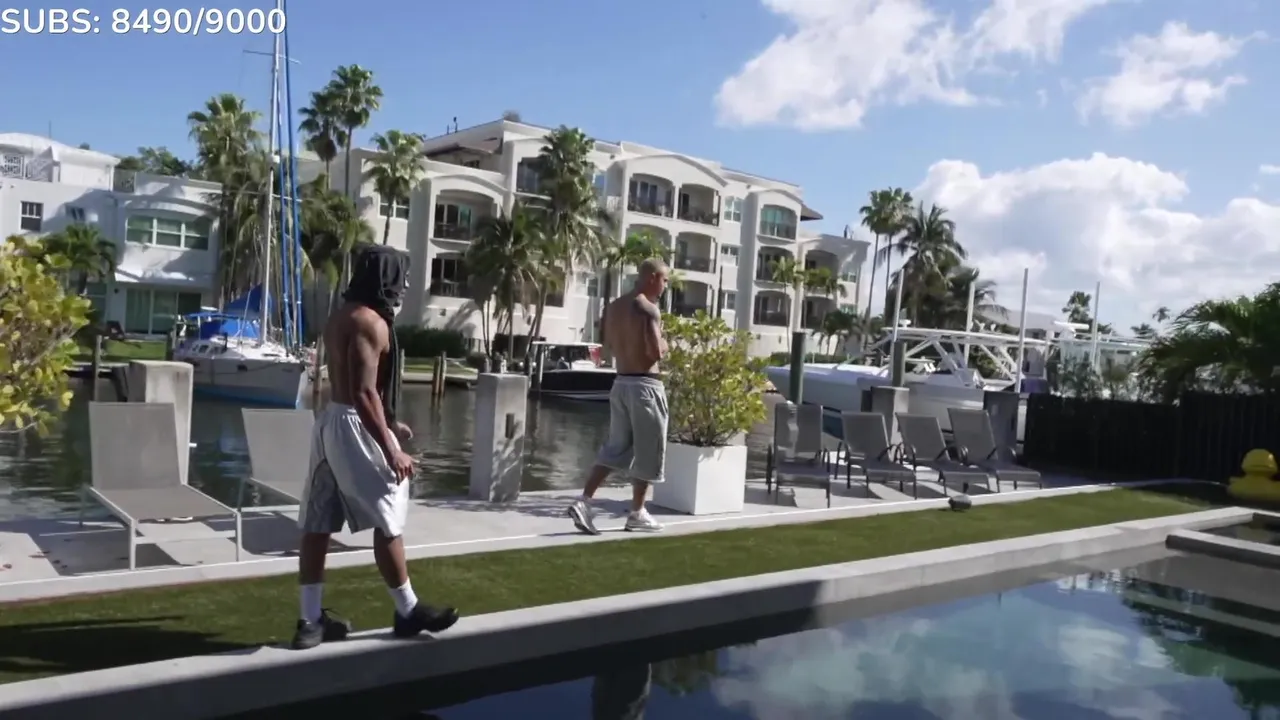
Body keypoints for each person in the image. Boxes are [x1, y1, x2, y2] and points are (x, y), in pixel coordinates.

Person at [292, 245, 459, 650]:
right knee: (389, 516)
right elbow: (364, 392)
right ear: (386, 278)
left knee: (318, 522)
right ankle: (408, 611)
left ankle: (309, 620)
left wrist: (389, 421)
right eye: (401, 278)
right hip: (353, 424)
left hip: (330, 422)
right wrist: (390, 448)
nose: (403, 287)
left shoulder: (340, 316)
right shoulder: (371, 322)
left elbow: (353, 386)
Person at [567, 258, 670, 535]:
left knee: (615, 448)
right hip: (646, 386)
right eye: (664, 280)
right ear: (652, 278)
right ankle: (637, 513)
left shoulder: (614, 307)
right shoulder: (648, 309)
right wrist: (665, 343)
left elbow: (611, 346)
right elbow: (655, 353)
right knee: (648, 451)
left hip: (621, 383)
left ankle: (584, 501)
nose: (665, 286)